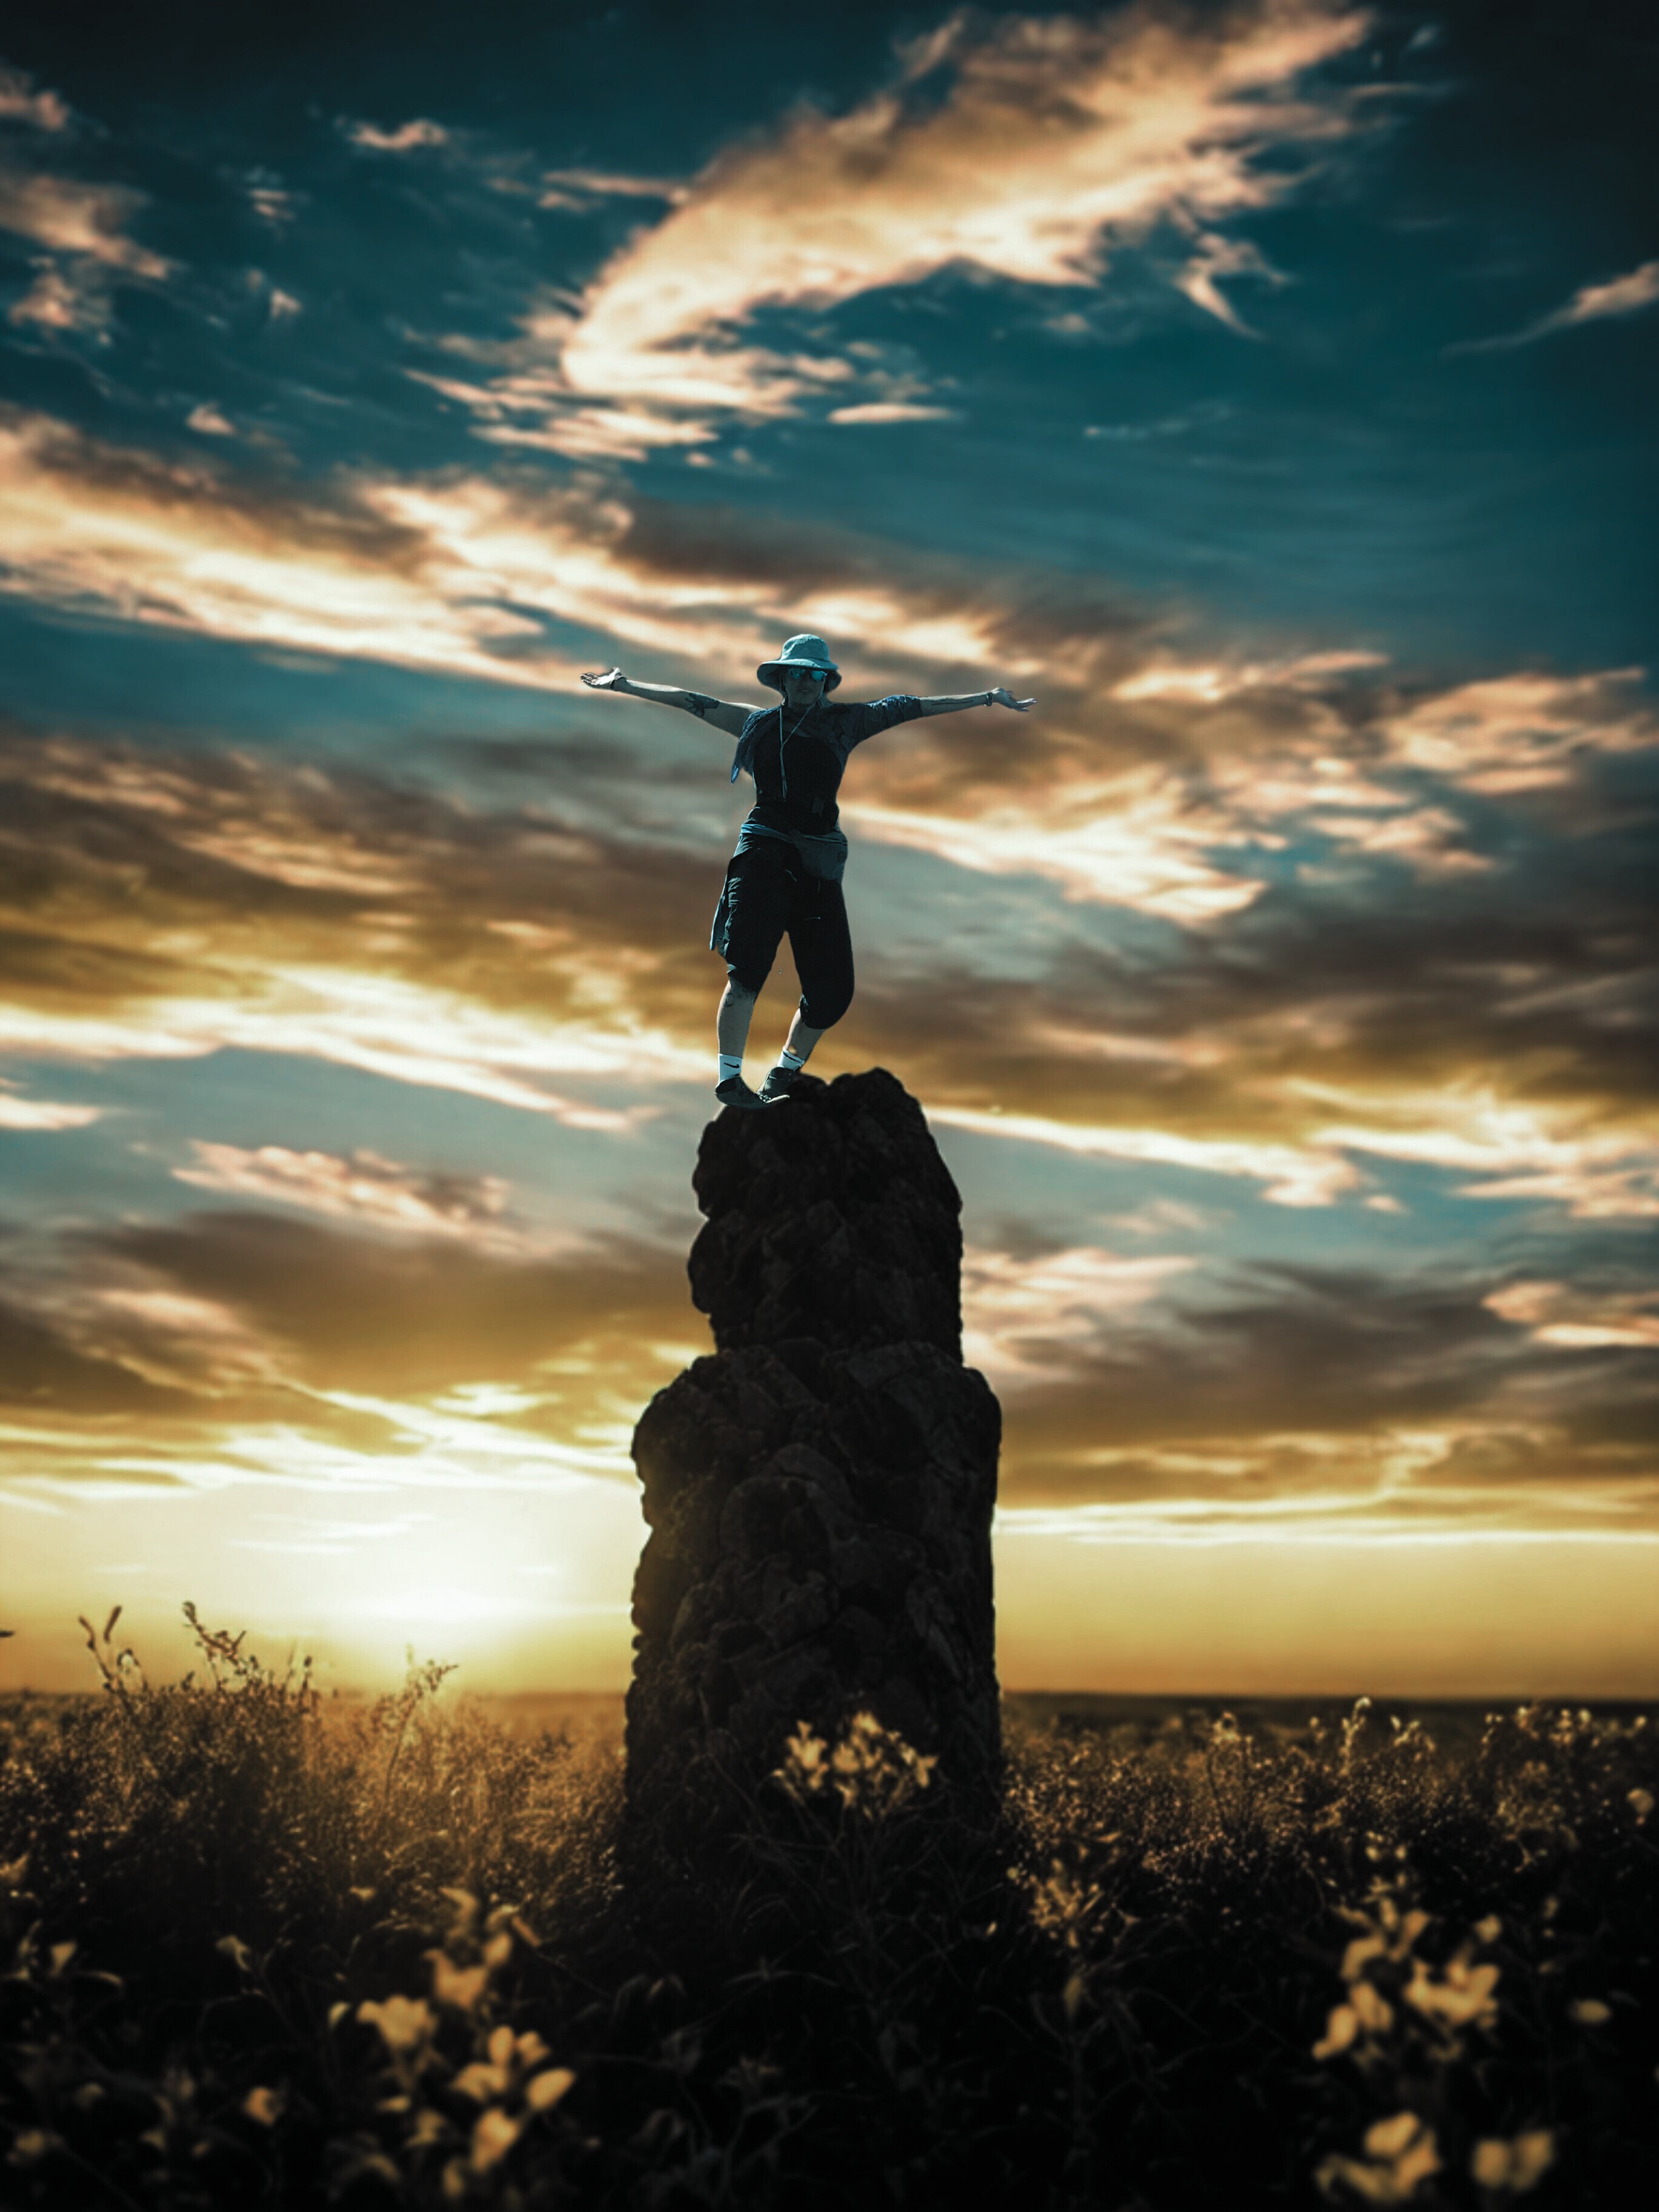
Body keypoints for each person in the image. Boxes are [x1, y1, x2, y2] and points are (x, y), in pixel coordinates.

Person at [582, 634, 1033, 1108]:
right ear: (782, 678)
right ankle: (730, 1081)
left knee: (833, 992)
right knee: (747, 970)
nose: (805, 681)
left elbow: (911, 706)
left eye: (815, 674)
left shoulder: (848, 722)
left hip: (818, 861)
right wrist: (625, 685)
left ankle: (784, 1073)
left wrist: (986, 697)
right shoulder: (757, 724)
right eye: (797, 672)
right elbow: (694, 702)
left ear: (826, 681)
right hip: (765, 851)